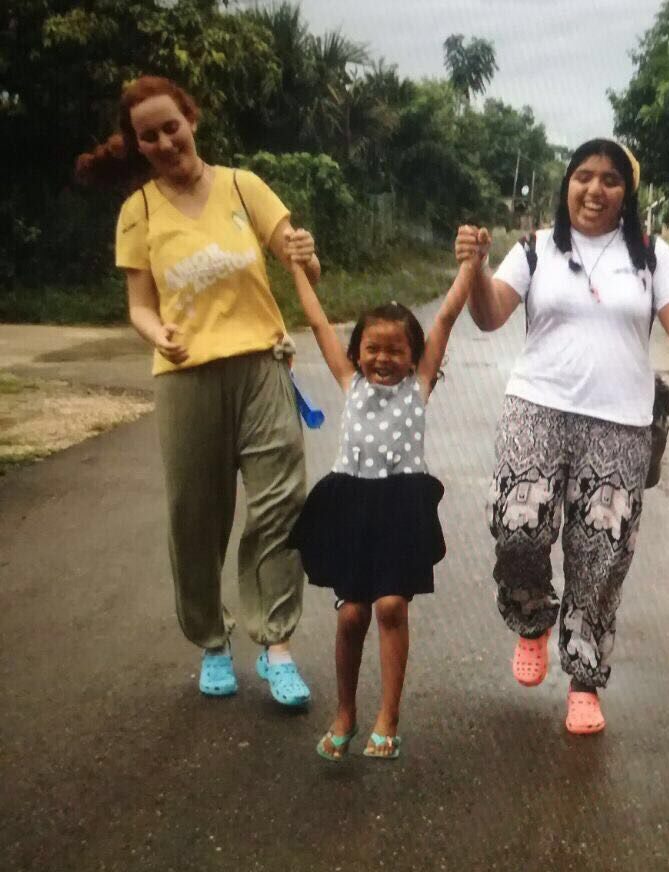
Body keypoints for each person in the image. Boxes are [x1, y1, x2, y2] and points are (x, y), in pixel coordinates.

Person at [455, 138, 669, 734]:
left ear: (627, 194)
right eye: (583, 177)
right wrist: (473, 269)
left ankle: (583, 679)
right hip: (537, 406)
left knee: (600, 556)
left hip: (621, 421)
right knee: (518, 529)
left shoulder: (652, 255)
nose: (595, 190)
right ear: (566, 185)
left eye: (609, 180)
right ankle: (533, 619)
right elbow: (489, 313)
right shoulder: (535, 250)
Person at [75, 76, 319, 706]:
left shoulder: (244, 186)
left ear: (192, 119)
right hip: (184, 378)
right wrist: (161, 333)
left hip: (262, 365)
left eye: (170, 127)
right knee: (196, 515)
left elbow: (301, 265)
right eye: (147, 135)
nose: (163, 142)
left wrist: (304, 250)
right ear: (137, 143)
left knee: (280, 504)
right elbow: (138, 306)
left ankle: (277, 645)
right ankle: (213, 642)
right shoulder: (140, 211)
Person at [285, 242, 477, 761]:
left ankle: (388, 716)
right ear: (357, 353)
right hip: (351, 504)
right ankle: (345, 712)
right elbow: (320, 323)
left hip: (400, 507)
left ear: (414, 357)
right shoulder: (350, 383)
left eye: (395, 350)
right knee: (351, 617)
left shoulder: (419, 387)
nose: (383, 359)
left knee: (391, 605)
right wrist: (298, 271)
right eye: (373, 348)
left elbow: (446, 317)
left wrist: (469, 267)